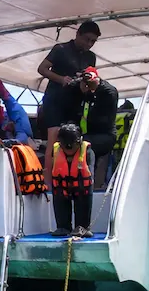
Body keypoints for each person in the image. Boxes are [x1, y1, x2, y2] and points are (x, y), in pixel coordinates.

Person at [37, 21, 101, 183]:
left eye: (93, 42)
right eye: (87, 39)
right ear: (78, 34)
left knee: (73, 139)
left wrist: (87, 82)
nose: (89, 44)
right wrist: (61, 79)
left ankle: (69, 178)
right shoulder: (61, 49)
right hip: (55, 99)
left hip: (74, 102)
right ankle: (49, 181)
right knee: (54, 138)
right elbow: (42, 69)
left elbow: (90, 78)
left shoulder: (90, 56)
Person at [50, 123, 95, 238]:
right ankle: (63, 226)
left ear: (79, 141)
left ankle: (82, 226)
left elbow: (90, 176)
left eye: (72, 144)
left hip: (81, 189)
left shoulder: (88, 152)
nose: (69, 147)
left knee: (83, 203)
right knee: (60, 200)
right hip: (62, 188)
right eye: (66, 145)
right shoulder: (55, 152)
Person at [75, 67, 118, 186]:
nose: (88, 86)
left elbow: (100, 117)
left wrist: (88, 93)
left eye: (89, 83)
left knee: (84, 146)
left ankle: (88, 183)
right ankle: (87, 182)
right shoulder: (92, 93)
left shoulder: (108, 92)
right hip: (93, 133)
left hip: (106, 135)